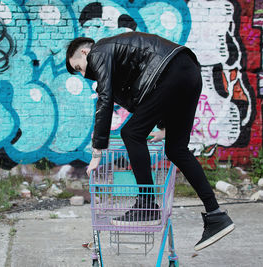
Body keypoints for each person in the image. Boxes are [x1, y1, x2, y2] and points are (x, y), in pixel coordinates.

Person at [66, 32, 234, 251]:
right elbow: (143, 96)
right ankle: (215, 215)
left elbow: (106, 101)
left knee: (131, 133)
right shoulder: (119, 60)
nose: (84, 73)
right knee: (176, 149)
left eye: (80, 67)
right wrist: (164, 126)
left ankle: (146, 206)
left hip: (171, 71)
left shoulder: (99, 51)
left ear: (85, 52)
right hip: (188, 71)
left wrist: (97, 151)